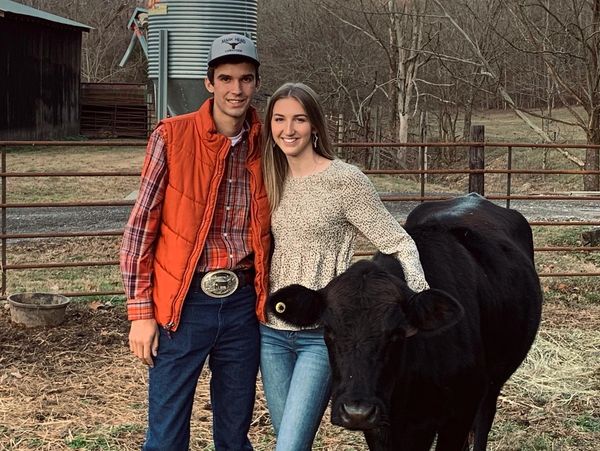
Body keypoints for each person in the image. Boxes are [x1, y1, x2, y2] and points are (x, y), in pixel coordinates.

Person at [120, 33, 271, 451]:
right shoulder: (171, 136)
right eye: (225, 78)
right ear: (209, 83)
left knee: (234, 432)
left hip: (243, 302)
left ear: (256, 83)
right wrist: (140, 313)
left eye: (245, 78)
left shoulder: (269, 143)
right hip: (183, 304)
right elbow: (139, 231)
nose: (235, 89)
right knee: (166, 437)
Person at [259, 82, 430, 451]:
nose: (288, 130)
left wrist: (416, 301)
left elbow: (399, 241)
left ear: (315, 126)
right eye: (279, 119)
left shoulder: (345, 181)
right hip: (270, 331)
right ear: (269, 126)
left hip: (324, 333)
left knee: (287, 446)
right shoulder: (267, 176)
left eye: (299, 119)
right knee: (288, 441)